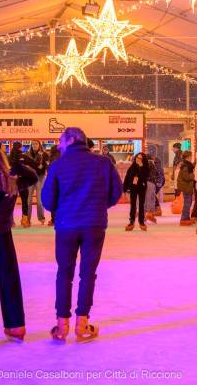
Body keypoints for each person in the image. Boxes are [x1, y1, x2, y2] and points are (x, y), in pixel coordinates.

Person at [41, 127, 123, 342]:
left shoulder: (58, 166)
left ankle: (61, 325)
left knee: (64, 273)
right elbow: (116, 194)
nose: (58, 145)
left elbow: (48, 201)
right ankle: (82, 323)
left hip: (66, 226)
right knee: (88, 274)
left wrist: (63, 210)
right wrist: (98, 206)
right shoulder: (104, 163)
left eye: (61, 141)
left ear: (72, 140)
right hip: (94, 225)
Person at [0, 147, 29, 341]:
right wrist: (16, 165)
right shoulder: (11, 183)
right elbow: (32, 176)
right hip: (3, 233)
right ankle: (16, 325)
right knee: (9, 279)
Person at [123, 153, 149, 231]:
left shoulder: (146, 167)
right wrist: (124, 189)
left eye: (140, 158)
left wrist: (141, 167)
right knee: (133, 205)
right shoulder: (132, 167)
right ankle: (132, 221)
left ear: (143, 159)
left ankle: (141, 221)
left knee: (141, 205)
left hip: (142, 187)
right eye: (137, 157)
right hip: (133, 188)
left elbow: (145, 176)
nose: (138, 159)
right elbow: (127, 177)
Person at [26, 140, 49, 225]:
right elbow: (25, 165)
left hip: (40, 177)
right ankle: (27, 219)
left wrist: (44, 167)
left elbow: (47, 165)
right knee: (28, 200)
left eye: (36, 144)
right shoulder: (27, 154)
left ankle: (41, 218)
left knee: (39, 200)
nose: (34, 145)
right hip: (30, 178)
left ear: (39, 145)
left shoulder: (44, 154)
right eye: (33, 144)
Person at [177, 151, 196, 226]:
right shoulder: (186, 166)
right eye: (191, 156)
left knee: (188, 203)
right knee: (187, 204)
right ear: (188, 157)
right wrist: (194, 174)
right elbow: (186, 177)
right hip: (186, 187)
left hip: (187, 187)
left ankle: (186, 218)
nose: (191, 158)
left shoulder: (188, 165)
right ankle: (184, 219)